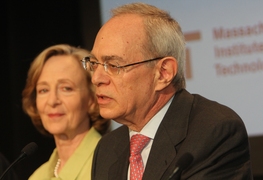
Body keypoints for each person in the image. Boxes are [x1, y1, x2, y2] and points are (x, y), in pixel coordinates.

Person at [85, 2, 253, 180]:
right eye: (94, 63)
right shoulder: (108, 148)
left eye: (113, 65)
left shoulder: (213, 132)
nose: (96, 78)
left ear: (163, 73)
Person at [22, 44, 110, 179]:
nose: (52, 101)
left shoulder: (111, 163)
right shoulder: (37, 177)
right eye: (43, 90)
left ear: (92, 99)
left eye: (66, 88)